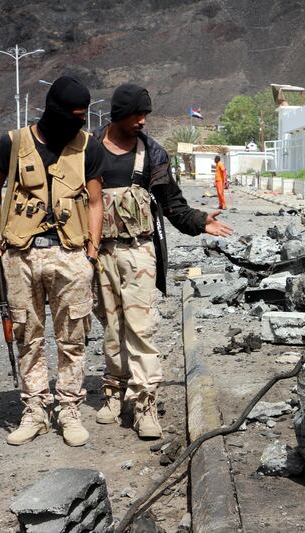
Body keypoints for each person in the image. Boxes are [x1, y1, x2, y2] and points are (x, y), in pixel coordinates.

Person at [92, 83, 233, 439]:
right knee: (111, 328)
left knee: (141, 329)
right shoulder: (88, 150)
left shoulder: (151, 153)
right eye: (137, 114)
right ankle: (113, 393)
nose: (142, 120)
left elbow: (171, 203)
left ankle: (144, 405)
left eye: (146, 114)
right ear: (119, 114)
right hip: (98, 253)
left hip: (139, 251)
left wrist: (201, 221)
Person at [0, 76, 104, 447]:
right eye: (73, 115)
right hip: (21, 254)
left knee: (73, 338)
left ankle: (68, 409)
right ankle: (35, 410)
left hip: (71, 254)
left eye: (83, 116)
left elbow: (96, 201)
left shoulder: (88, 147)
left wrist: (93, 249)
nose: (78, 122)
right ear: (53, 110)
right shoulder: (13, 142)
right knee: (27, 336)